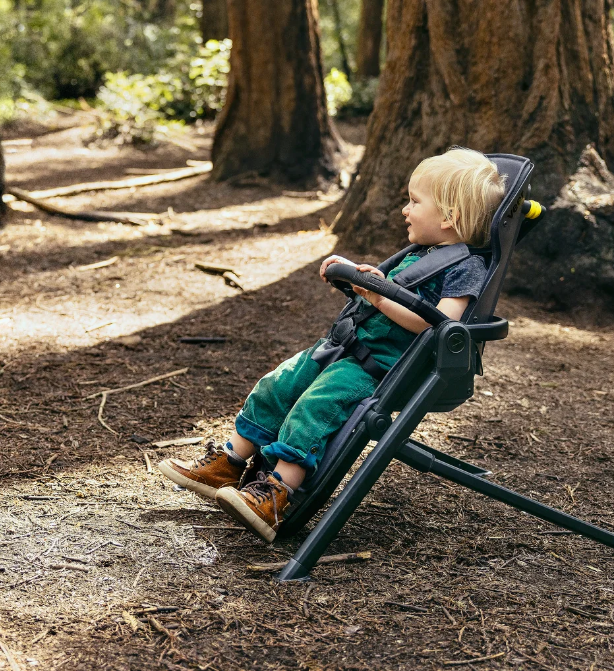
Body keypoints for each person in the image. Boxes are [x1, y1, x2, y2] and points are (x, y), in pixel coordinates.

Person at [159, 147, 506, 542]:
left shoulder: (466, 267)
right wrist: (368, 278)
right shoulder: (419, 254)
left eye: (414, 201)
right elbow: (395, 291)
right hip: (342, 347)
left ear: (449, 217)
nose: (405, 210)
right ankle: (229, 461)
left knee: (315, 407)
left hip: (378, 367)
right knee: (278, 384)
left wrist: (378, 295)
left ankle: (276, 493)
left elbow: (441, 325)